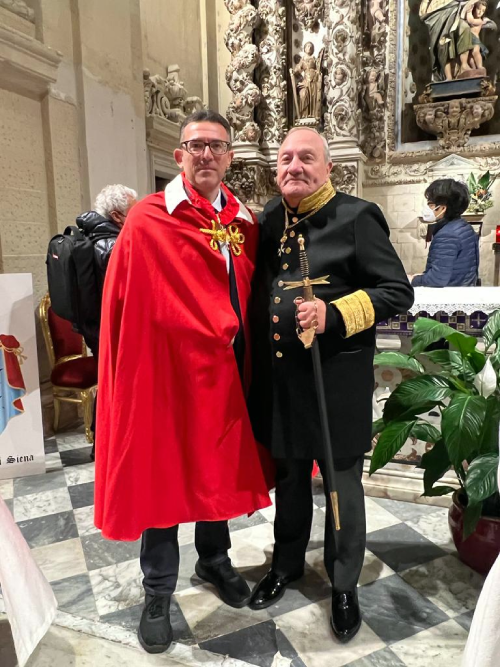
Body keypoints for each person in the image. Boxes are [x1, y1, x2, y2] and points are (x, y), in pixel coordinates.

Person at [94, 110, 271, 654]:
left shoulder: (244, 222)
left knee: (216, 469)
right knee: (164, 476)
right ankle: (157, 592)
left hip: (226, 372)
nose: (206, 154)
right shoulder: (149, 219)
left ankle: (214, 560)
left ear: (229, 157)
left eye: (216, 145)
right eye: (196, 145)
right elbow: (124, 305)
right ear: (180, 156)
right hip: (166, 375)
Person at [248, 127, 414, 643]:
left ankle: (344, 583)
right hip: (284, 383)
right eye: (285, 159)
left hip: (335, 381)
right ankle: (286, 565)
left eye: (306, 158)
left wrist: (334, 313)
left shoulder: (356, 217)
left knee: (342, 486)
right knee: (291, 480)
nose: (294, 167)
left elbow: (396, 291)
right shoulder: (268, 220)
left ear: (328, 168)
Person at [76, 184, 137, 460]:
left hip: (93, 325)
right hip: (111, 328)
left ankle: (101, 442)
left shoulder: (90, 237)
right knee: (117, 385)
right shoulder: (112, 245)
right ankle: (108, 444)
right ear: (117, 215)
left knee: (108, 381)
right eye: (133, 210)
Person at [411, 178, 479, 287]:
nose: (427, 208)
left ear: (442, 208)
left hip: (452, 293)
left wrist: (413, 280)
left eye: (430, 204)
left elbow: (437, 279)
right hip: (464, 288)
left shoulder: (447, 235)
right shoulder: (464, 226)